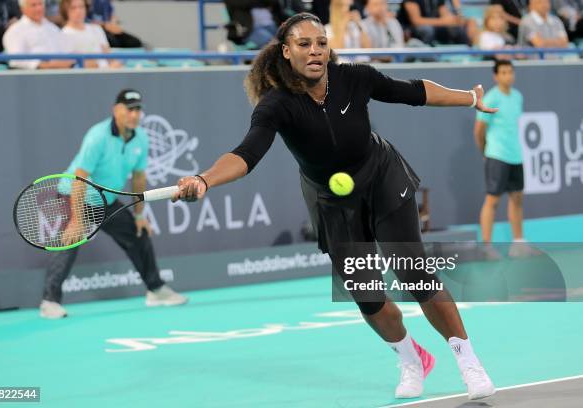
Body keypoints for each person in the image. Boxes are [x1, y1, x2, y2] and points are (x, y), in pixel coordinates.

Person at [171, 13, 496, 400]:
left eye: (321, 42)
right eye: (305, 44)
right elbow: (247, 153)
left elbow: (414, 91)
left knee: (414, 273)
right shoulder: (277, 105)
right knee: (367, 295)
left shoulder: (354, 78)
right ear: (286, 52)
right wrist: (205, 179)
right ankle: (412, 358)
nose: (315, 51)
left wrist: (470, 98)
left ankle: (467, 359)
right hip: (332, 201)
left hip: (382, 179)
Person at [40, 89, 188, 319]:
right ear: (116, 110)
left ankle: (156, 290)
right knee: (70, 239)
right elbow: (79, 177)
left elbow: (138, 178)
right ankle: (49, 302)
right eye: (130, 109)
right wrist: (77, 220)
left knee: (138, 234)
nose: (135, 114)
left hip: (105, 199)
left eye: (139, 109)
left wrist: (139, 215)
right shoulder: (97, 136)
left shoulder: (141, 138)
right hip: (74, 193)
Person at [474, 60, 531, 255]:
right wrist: (485, 152)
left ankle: (518, 243)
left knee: (517, 198)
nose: (508, 76)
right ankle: (487, 246)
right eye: (504, 72)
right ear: (496, 76)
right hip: (496, 155)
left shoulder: (517, 97)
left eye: (510, 72)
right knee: (493, 200)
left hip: (516, 155)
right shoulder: (490, 98)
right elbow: (479, 130)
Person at [2, 0, 75, 69]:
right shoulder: (15, 31)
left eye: (40, 4)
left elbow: (66, 53)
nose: (38, 8)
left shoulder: (53, 29)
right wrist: (44, 65)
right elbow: (16, 61)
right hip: (32, 77)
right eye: (33, 5)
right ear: (22, 9)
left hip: (61, 75)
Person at [60, 0, 122, 68]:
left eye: (81, 7)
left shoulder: (96, 29)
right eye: (73, 8)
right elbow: (71, 63)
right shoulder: (63, 35)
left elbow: (108, 53)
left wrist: (115, 64)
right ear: (65, 11)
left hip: (107, 72)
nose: (78, 11)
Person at [397, 0, 474, 44]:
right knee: (426, 30)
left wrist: (458, 19)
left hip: (434, 26)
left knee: (457, 30)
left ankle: (465, 58)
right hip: (410, 30)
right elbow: (416, 21)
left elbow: (446, 17)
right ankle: (428, 58)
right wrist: (443, 21)